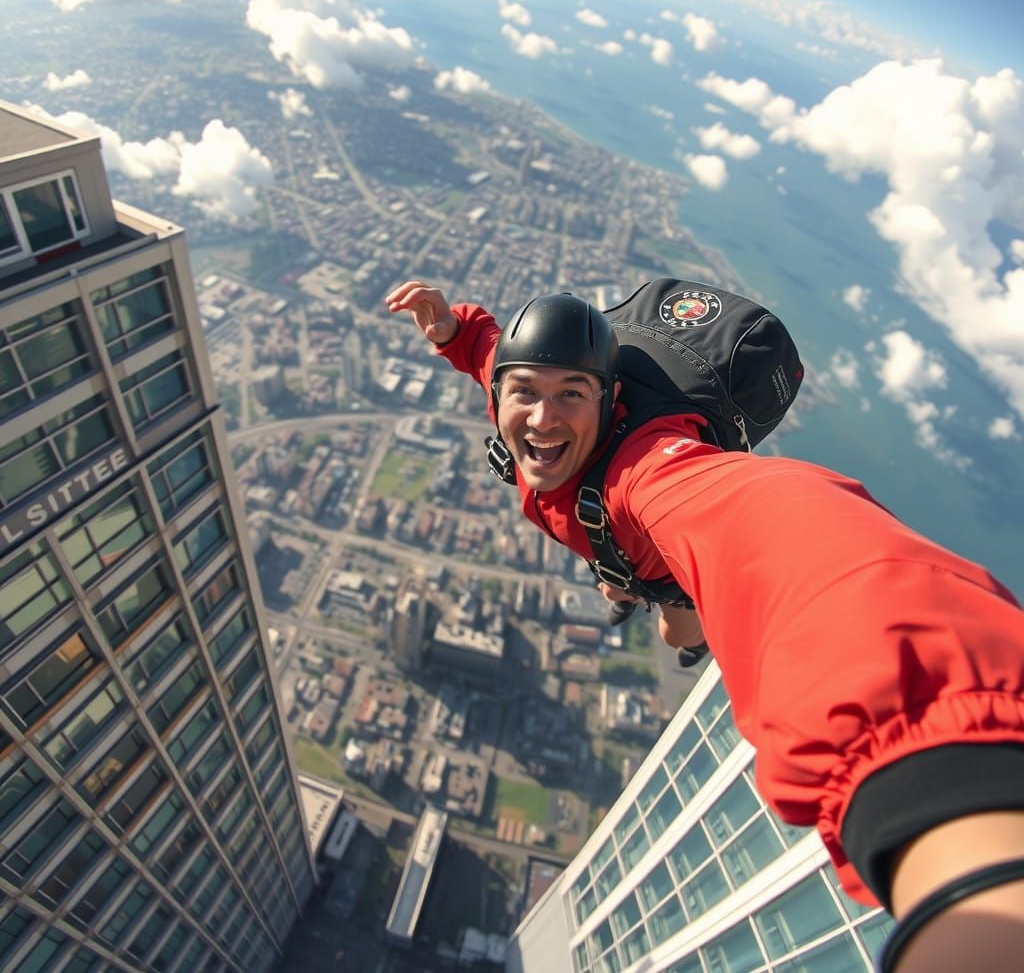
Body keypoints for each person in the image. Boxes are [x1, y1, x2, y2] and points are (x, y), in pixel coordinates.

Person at [385, 279, 1024, 972]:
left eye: (571, 393)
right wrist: (453, 327)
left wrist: (943, 773)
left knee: (678, 635)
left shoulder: (648, 474)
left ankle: (662, 609)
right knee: (623, 572)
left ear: (608, 398)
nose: (540, 419)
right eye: (525, 393)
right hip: (618, 544)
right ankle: (630, 583)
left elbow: (784, 529)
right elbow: (490, 354)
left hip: (664, 559)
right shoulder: (525, 399)